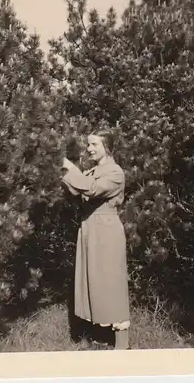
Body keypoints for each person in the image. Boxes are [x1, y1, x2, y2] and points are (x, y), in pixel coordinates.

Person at [62, 129, 130, 350]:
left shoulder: (115, 172)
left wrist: (71, 169)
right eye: (88, 145)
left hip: (106, 233)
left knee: (112, 284)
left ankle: (122, 344)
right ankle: (94, 335)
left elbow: (91, 190)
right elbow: (77, 191)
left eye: (94, 145)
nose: (89, 149)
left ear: (107, 147)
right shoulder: (92, 171)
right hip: (90, 230)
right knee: (90, 282)